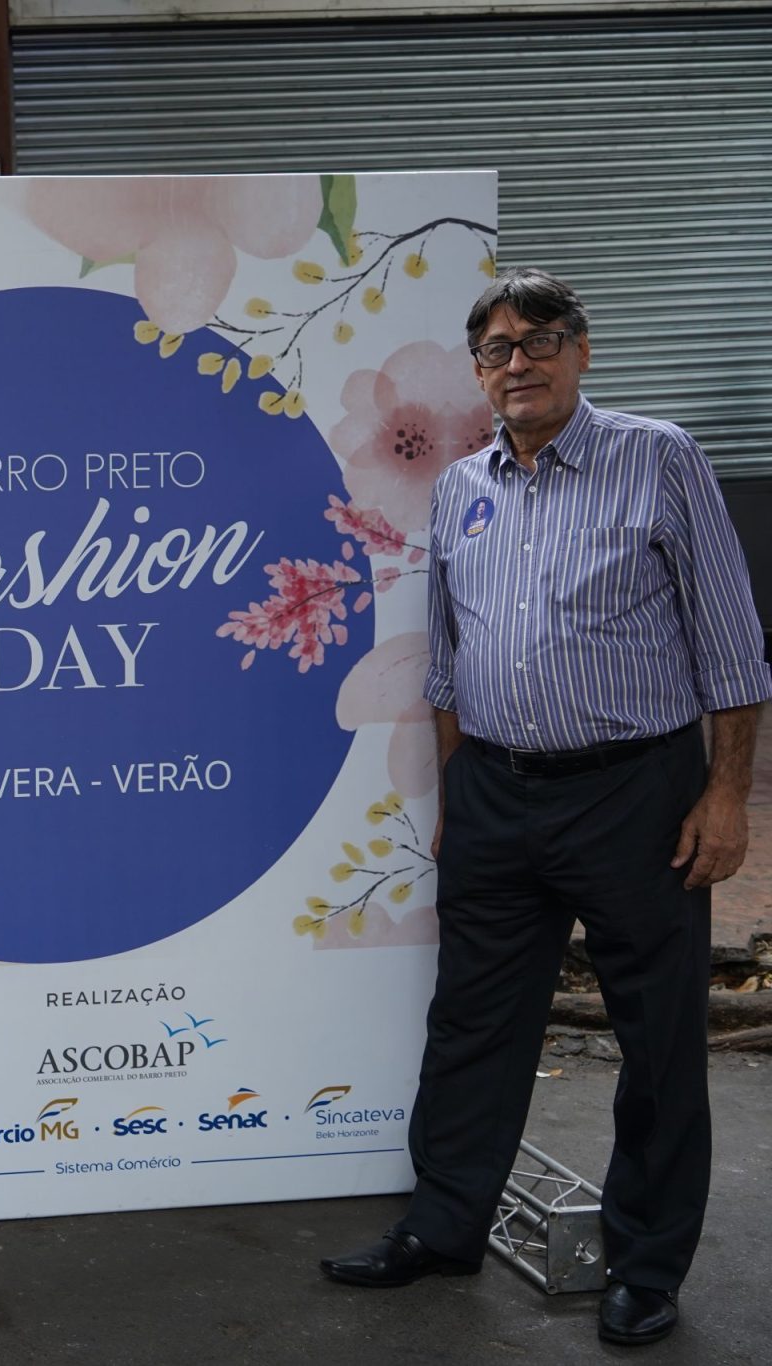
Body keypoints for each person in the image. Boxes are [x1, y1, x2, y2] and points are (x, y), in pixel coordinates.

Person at [320, 269, 770, 1346]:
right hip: (492, 792)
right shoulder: (461, 487)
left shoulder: (657, 457)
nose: (516, 362)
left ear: (580, 350)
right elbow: (447, 660)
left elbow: (730, 644)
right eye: (495, 349)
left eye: (538, 340)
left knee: (656, 1037)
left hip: (633, 796)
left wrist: (724, 796)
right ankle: (443, 1226)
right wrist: (454, 797)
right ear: (478, 373)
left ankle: (645, 1265)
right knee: (470, 1025)